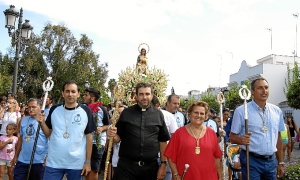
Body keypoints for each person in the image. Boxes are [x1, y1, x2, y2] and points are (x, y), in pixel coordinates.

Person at [107, 82, 170, 180]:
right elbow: (117, 138)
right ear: (136, 96)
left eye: (147, 94)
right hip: (126, 168)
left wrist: (163, 164)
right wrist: (112, 134)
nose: (144, 97)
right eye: (141, 94)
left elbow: (163, 141)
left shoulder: (158, 114)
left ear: (152, 95)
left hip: (150, 168)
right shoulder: (126, 113)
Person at [37, 80, 96, 180]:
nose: (70, 94)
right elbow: (48, 134)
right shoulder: (54, 109)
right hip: (54, 161)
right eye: (67, 91)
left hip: (76, 163)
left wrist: (88, 161)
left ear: (78, 94)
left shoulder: (85, 111)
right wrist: (42, 123)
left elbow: (89, 138)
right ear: (63, 93)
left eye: (73, 91)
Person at [230, 77, 285, 179]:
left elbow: (279, 137)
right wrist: (241, 140)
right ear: (252, 91)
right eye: (260, 88)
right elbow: (232, 137)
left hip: (271, 161)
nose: (264, 91)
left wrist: (280, 162)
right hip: (251, 160)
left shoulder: (277, 111)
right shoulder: (242, 111)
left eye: (266, 87)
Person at [164, 100, 222, 180]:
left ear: (205, 116)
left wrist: (220, 176)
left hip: (209, 177)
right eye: (196, 112)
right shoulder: (179, 133)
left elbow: (217, 157)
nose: (199, 115)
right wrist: (175, 174)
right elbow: (170, 156)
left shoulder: (212, 133)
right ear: (189, 114)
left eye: (202, 113)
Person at [12, 98, 48, 180]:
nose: (31, 109)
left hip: (39, 161)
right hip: (23, 160)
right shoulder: (24, 120)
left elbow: (50, 140)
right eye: (29, 107)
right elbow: (21, 139)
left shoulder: (45, 121)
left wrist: (48, 156)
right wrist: (16, 156)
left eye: (34, 107)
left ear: (40, 107)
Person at [83, 87, 109, 180]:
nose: (83, 97)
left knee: (94, 168)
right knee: (86, 167)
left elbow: (107, 125)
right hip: (85, 142)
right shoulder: (83, 108)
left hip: (97, 143)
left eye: (86, 95)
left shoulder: (102, 109)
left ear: (92, 98)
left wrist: (101, 128)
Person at [152, 95, 178, 180]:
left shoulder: (168, 116)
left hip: (165, 156)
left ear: (156, 105)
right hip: (148, 157)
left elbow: (174, 137)